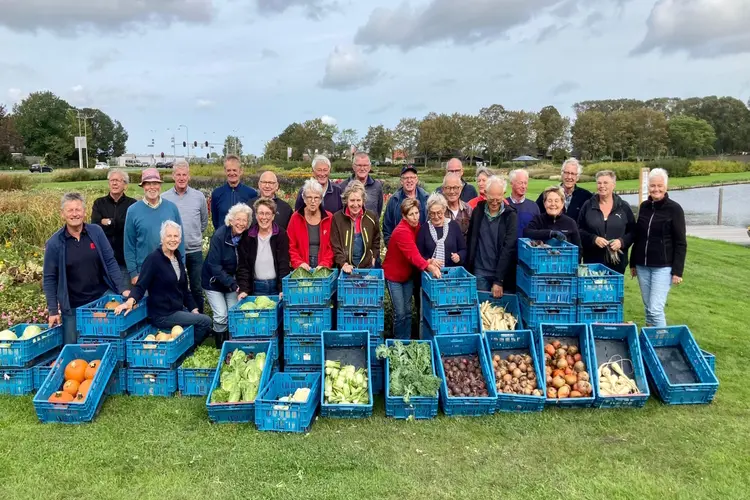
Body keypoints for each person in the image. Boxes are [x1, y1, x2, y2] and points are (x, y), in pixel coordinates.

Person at [44, 193, 125, 345]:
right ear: (63, 214)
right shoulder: (55, 243)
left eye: (78, 209)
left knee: (107, 342)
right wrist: (53, 310)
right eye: (70, 210)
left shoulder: (96, 232)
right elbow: (49, 278)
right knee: (74, 347)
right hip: (74, 305)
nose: (75, 214)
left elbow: (110, 261)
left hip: (100, 300)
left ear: (84, 211)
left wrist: (122, 289)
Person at [114, 221, 213, 341]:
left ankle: (184, 348)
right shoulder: (153, 259)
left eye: (176, 236)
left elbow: (184, 290)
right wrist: (129, 302)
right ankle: (187, 350)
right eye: (169, 236)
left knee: (204, 324)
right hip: (163, 314)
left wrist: (194, 310)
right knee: (205, 321)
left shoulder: (177, 258)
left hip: (177, 310)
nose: (173, 239)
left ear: (180, 239)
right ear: (162, 238)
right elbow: (141, 285)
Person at [630, 168, 687, 327]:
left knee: (655, 309)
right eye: (653, 185)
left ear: (666, 187)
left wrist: (677, 270)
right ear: (648, 186)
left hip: (663, 267)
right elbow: (639, 236)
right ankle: (651, 342)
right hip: (643, 266)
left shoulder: (674, 209)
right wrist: (633, 263)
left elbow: (681, 242)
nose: (656, 189)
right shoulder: (645, 207)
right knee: (648, 308)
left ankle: (662, 344)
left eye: (660, 186)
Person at [382, 199, 442, 340]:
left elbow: (417, 251)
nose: (415, 217)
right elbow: (413, 255)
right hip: (394, 277)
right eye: (411, 214)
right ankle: (398, 341)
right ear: (404, 216)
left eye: (416, 213)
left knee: (409, 311)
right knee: (400, 312)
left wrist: (428, 260)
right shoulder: (402, 231)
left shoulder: (416, 227)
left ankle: (407, 339)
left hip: (407, 275)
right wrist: (429, 267)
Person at [124, 168, 184, 284]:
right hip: (144, 271)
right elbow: (129, 245)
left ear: (160, 185)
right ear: (143, 186)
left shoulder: (172, 208)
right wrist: (133, 273)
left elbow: (180, 240)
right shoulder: (133, 211)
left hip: (169, 269)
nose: (152, 187)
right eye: (148, 184)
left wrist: (181, 266)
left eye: (155, 183)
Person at [162, 160, 208, 312]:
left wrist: (193, 235)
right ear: (173, 176)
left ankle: (199, 321)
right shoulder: (165, 198)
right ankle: (180, 318)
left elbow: (203, 221)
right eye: (178, 175)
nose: (181, 178)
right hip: (173, 251)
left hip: (194, 250)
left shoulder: (199, 196)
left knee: (196, 287)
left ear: (189, 176)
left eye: (184, 175)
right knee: (175, 286)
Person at [202, 203, 252, 340]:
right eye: (238, 219)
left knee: (234, 313)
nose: (241, 223)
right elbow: (214, 266)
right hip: (213, 281)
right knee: (221, 315)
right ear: (231, 220)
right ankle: (220, 347)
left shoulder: (245, 237)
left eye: (244, 220)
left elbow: (244, 264)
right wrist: (233, 284)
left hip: (232, 281)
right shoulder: (219, 236)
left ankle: (232, 345)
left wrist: (239, 284)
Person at [466, 176, 518, 297]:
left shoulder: (510, 216)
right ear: (485, 194)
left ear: (503, 194)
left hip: (501, 273)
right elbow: (471, 239)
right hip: (480, 271)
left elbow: (508, 248)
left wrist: (499, 280)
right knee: (481, 309)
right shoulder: (478, 211)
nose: (494, 202)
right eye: (491, 198)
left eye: (498, 198)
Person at [577, 170, 636, 274]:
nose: (602, 186)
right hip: (592, 262)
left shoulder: (623, 207)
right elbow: (579, 230)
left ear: (613, 185)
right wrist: (593, 239)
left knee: (613, 290)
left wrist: (621, 242)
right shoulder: (588, 206)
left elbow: (633, 232)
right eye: (599, 183)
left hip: (617, 264)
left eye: (605, 183)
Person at [90, 169, 137, 291]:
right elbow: (95, 227)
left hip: (124, 260)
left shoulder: (133, 204)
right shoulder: (99, 203)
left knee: (124, 295)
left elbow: (130, 227)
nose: (114, 183)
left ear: (125, 185)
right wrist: (117, 224)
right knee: (105, 297)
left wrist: (108, 222)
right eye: (112, 180)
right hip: (103, 259)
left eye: (118, 180)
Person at [237, 198, 291, 297]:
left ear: (273, 216)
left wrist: (282, 289)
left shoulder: (281, 234)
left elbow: (284, 264)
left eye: (268, 213)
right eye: (261, 213)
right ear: (256, 216)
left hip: (276, 287)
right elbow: (243, 266)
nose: (264, 217)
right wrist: (244, 290)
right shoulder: (248, 236)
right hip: (256, 287)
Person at [331, 180, 381, 273]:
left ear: (363, 201)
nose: (355, 204)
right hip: (345, 269)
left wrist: (373, 257)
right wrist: (343, 264)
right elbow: (335, 245)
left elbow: (376, 240)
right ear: (346, 200)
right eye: (352, 200)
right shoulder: (337, 218)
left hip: (367, 268)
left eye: (358, 200)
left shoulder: (371, 217)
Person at [287, 179, 334, 270]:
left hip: (323, 267)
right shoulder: (295, 218)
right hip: (302, 267)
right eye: (309, 197)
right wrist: (299, 263)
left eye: (316, 198)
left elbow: (332, 246)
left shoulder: (329, 218)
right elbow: (291, 245)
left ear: (321, 199)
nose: (313, 201)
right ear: (304, 199)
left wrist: (325, 264)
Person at [383, 165, 429, 245]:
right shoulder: (394, 200)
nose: (409, 180)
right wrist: (392, 246)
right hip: (400, 248)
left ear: (416, 180)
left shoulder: (426, 199)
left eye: (412, 177)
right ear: (401, 181)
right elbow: (387, 227)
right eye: (406, 178)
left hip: (422, 248)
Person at [417, 193, 467, 267]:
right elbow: (418, 255)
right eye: (432, 213)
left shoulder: (453, 226)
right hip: (431, 274)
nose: (436, 216)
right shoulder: (424, 229)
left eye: (439, 213)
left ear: (444, 210)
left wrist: (459, 256)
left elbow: (463, 249)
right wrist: (429, 261)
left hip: (452, 273)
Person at [535, 158, 592, 222]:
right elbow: (536, 215)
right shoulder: (548, 194)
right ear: (562, 174)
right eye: (566, 173)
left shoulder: (586, 196)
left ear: (577, 177)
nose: (569, 177)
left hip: (576, 231)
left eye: (573, 174)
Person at [210, 154, 257, 230]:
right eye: (229, 170)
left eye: (234, 170)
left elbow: (253, 219)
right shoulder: (217, 193)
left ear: (240, 171)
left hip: (244, 239)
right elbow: (215, 220)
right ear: (225, 171)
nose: (232, 173)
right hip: (223, 238)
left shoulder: (251, 194)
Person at [339, 152, 384, 217]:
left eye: (365, 165)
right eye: (359, 165)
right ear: (354, 167)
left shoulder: (377, 186)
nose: (362, 169)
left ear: (369, 167)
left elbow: (378, 211)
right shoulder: (343, 186)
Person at [506, 169, 540, 236]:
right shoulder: (503, 204)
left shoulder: (533, 206)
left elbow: (538, 230)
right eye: (520, 183)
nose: (523, 186)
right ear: (511, 184)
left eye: (525, 183)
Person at [440, 172, 473, 238]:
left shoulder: (468, 210)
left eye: (455, 187)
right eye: (448, 187)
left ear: (460, 189)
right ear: (443, 189)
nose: (452, 191)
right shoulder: (438, 210)